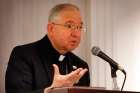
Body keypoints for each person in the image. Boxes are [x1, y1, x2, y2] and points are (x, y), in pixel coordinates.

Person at [5, 3, 90, 93]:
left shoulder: (81, 66)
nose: (76, 34)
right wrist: (50, 91)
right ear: (51, 29)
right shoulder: (23, 55)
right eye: (69, 26)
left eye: (80, 27)